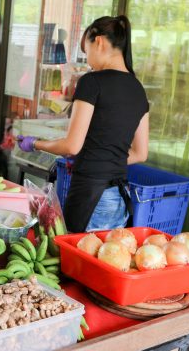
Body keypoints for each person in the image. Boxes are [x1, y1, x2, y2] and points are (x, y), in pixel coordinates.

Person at [18, 15, 149, 233]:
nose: (87, 60)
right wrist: (96, 158)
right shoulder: (137, 89)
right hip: (118, 199)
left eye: (86, 51)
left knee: (75, 262)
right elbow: (140, 153)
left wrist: (35, 144)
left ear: (99, 42)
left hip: (91, 197)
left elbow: (71, 146)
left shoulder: (92, 82)